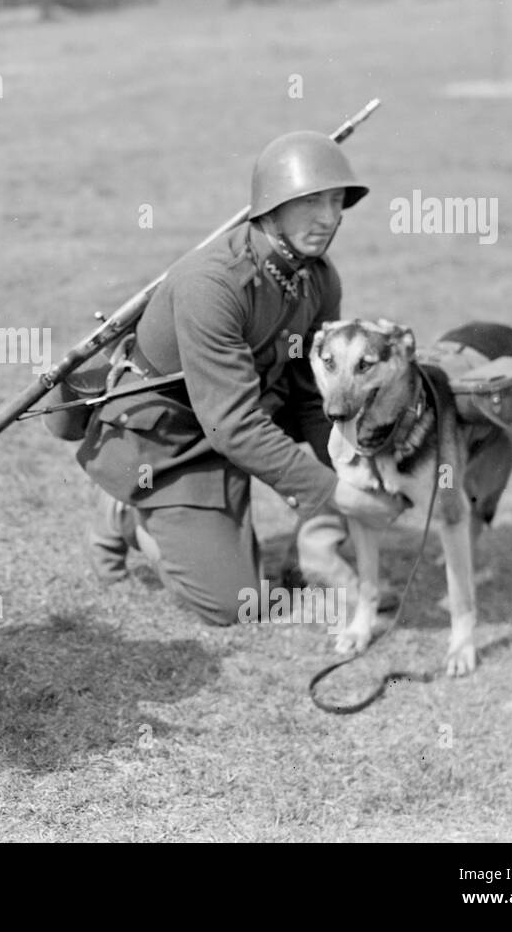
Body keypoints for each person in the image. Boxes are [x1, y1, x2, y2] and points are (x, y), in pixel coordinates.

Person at [76, 131, 406, 625]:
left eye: (336, 201)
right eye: (311, 200)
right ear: (271, 207)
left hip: (242, 415)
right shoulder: (212, 283)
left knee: (345, 470)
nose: (328, 217)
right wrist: (335, 493)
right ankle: (125, 508)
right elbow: (231, 423)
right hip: (169, 439)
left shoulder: (317, 277)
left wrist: (347, 468)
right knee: (235, 605)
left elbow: (312, 395)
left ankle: (309, 555)